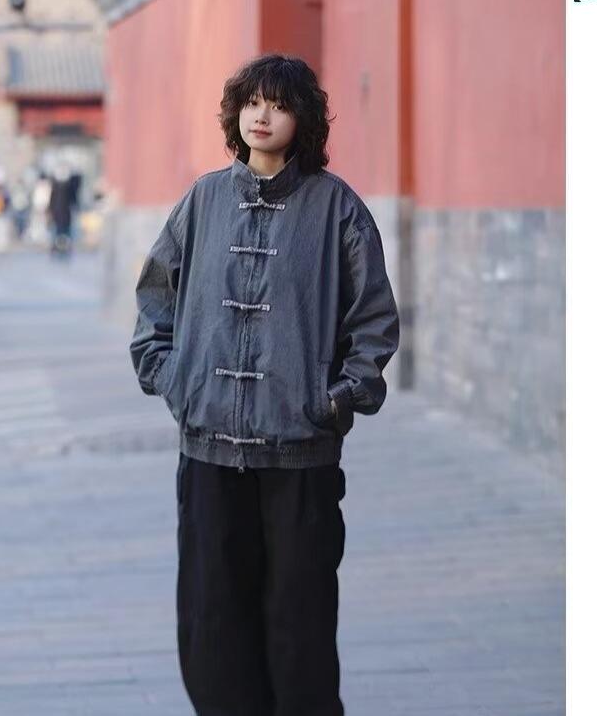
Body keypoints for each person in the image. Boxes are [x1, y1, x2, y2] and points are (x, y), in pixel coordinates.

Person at [129, 53, 400, 716]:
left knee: (299, 622)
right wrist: (173, 378)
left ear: (301, 118)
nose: (262, 115)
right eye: (252, 101)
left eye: (278, 104)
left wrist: (337, 398)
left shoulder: (337, 208)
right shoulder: (203, 200)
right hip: (209, 450)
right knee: (212, 619)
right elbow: (155, 297)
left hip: (299, 452)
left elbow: (374, 320)